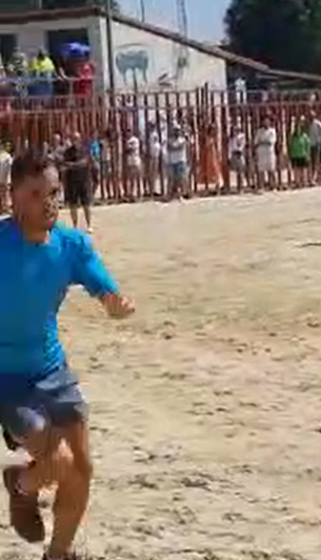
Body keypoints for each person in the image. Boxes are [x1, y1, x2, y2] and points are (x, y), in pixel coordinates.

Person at [0, 150, 135, 560]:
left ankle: (58, 554)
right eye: (37, 193)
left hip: (52, 370)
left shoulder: (71, 245)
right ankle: (22, 486)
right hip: (7, 380)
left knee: (81, 467)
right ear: (14, 198)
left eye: (55, 192)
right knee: (56, 460)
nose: (50, 202)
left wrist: (114, 301)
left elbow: (103, 286)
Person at [58, 133, 93, 233]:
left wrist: (72, 165)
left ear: (80, 139)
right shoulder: (68, 152)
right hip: (72, 181)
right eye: (73, 138)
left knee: (86, 204)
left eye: (77, 138)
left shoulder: (85, 150)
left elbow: (85, 162)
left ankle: (89, 225)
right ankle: (75, 226)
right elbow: (64, 164)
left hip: (84, 180)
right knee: (73, 205)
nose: (75, 140)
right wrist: (75, 165)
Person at [287, 120, 312, 189]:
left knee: (303, 170)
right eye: (297, 128)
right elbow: (290, 146)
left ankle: (304, 182)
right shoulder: (292, 137)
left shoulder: (304, 136)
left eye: (299, 128)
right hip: (295, 155)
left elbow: (308, 146)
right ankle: (297, 183)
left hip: (303, 154)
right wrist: (289, 155)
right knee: (296, 170)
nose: (298, 129)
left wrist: (308, 154)